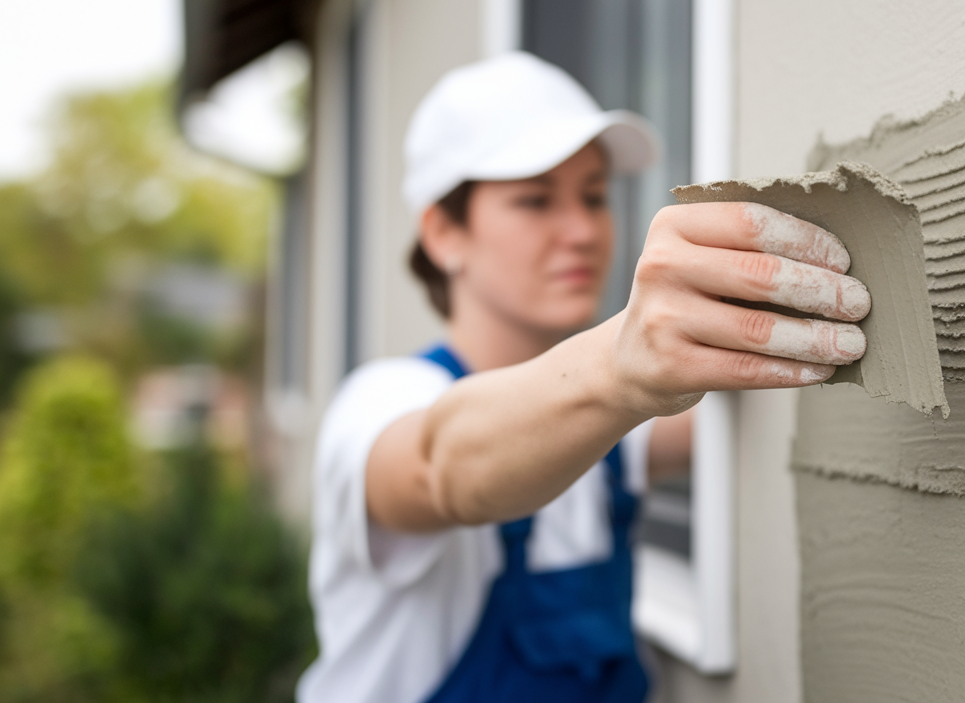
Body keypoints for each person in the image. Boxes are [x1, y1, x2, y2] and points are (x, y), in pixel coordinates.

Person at [296, 52, 870, 703]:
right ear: (443, 233)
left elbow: (728, 402)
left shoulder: (608, 438)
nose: (581, 231)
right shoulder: (377, 404)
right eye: (535, 200)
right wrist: (623, 364)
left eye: (594, 196)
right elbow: (442, 466)